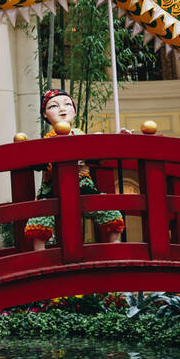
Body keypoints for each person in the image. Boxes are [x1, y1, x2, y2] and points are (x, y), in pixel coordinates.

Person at [24, 89, 125, 250]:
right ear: (44, 114)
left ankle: (116, 248)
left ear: (75, 111)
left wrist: (117, 138)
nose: (62, 109)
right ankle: (40, 256)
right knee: (38, 222)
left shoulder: (81, 135)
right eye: (54, 106)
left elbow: (100, 150)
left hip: (84, 187)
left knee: (111, 213)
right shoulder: (46, 139)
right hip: (53, 190)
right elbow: (38, 163)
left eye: (67, 104)